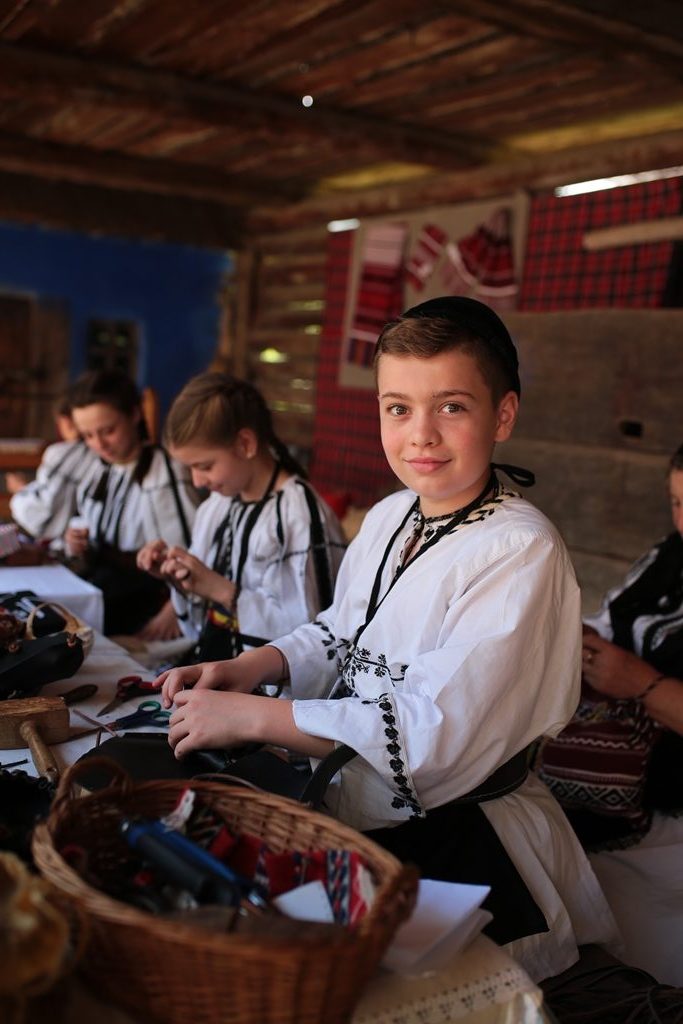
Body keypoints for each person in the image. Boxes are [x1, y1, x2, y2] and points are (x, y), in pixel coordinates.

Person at [156, 297, 618, 982]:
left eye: (451, 407)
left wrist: (257, 716)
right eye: (398, 408)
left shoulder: (520, 551)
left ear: (503, 415)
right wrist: (255, 665)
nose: (420, 435)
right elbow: (342, 630)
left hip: (461, 835)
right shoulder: (391, 515)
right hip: (352, 801)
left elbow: (434, 735)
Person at [137, 372, 346, 663]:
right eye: (190, 469)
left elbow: (313, 640)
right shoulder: (218, 505)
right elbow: (200, 623)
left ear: (246, 444)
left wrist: (222, 590)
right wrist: (179, 577)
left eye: (205, 466)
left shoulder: (299, 515)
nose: (197, 481)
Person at [65, 369, 200, 638]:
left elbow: (195, 550)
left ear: (135, 414)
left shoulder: (164, 473)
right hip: (105, 585)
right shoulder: (97, 469)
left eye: (108, 431)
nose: (99, 444)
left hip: (145, 598)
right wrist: (75, 543)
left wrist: (174, 609)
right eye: (88, 435)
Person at [9, 392, 99, 541]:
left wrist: (20, 490)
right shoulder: (98, 452)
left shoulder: (63, 454)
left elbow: (44, 516)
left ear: (66, 421)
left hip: (66, 543)